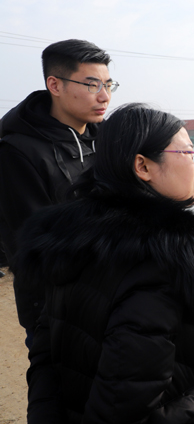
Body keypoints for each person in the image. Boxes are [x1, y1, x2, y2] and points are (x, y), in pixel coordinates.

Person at [15, 103, 194, 423]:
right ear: (142, 166)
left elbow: (45, 361)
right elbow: (126, 408)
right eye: (189, 153)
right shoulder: (158, 264)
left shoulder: (75, 242)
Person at [0, 39, 116, 346]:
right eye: (92, 85)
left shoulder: (108, 141)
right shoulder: (19, 151)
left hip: (112, 298)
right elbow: (32, 248)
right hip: (55, 310)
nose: (104, 96)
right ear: (55, 85)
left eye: (108, 85)